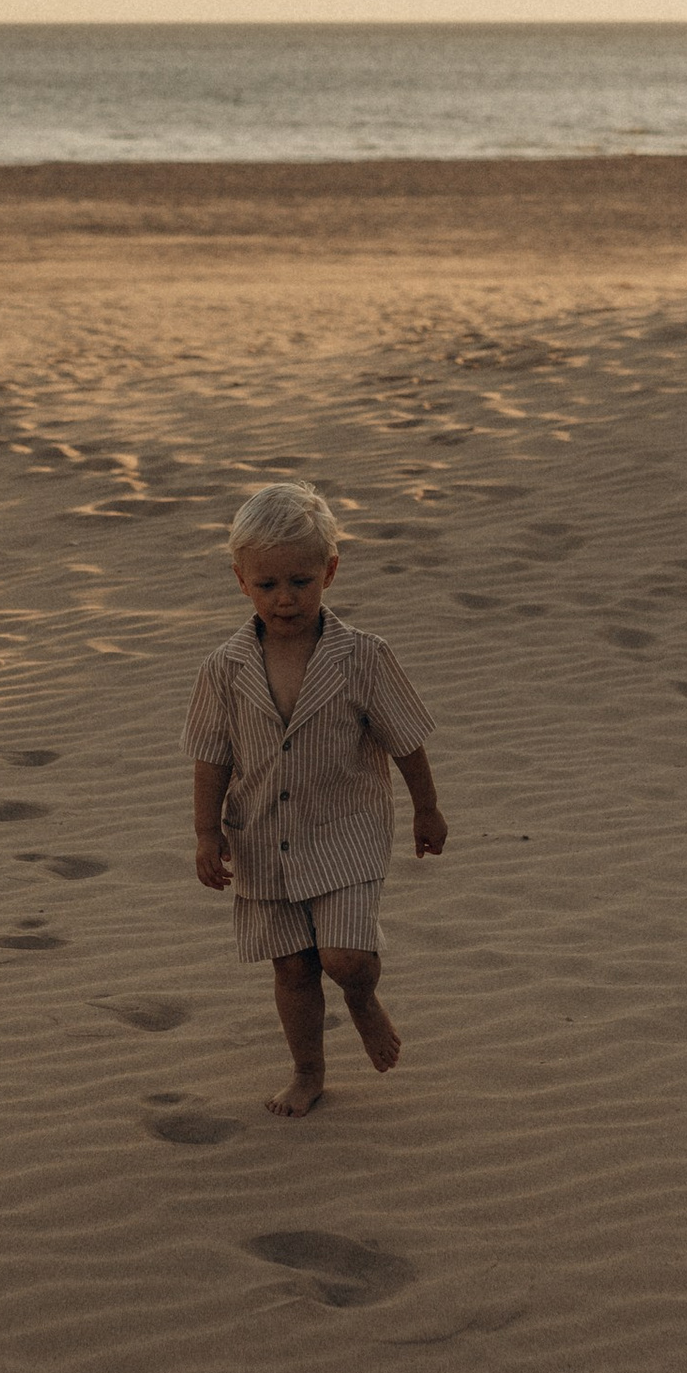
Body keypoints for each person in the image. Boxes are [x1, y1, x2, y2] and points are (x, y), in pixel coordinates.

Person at [183, 479, 445, 1119]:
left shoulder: (364, 657)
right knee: (295, 971)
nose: (285, 598)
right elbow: (211, 754)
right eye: (267, 585)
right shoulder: (225, 667)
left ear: (330, 571)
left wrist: (427, 807)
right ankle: (308, 1070)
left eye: (300, 581)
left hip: (345, 829)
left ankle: (361, 997)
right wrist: (205, 833)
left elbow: (405, 739)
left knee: (345, 957)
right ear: (241, 582)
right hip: (263, 837)